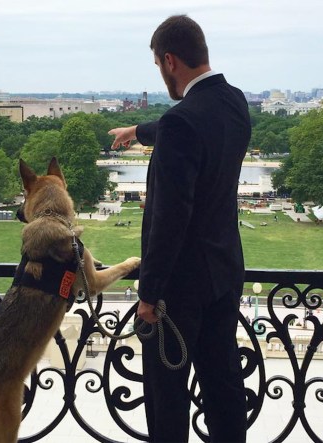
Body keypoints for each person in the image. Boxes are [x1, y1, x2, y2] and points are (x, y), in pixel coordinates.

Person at [108, 15, 250, 442]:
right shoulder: (234, 101)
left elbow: (169, 219)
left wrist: (149, 294)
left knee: (167, 399)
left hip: (179, 289)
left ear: (169, 60)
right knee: (223, 387)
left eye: (158, 65)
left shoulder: (181, 123)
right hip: (225, 273)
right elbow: (190, 126)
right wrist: (139, 130)